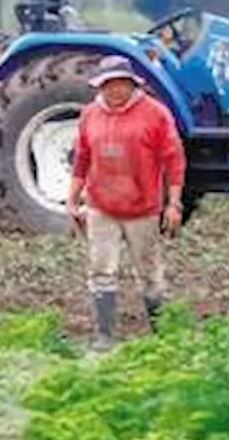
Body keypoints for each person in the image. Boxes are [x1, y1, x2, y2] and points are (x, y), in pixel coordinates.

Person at [67, 55, 187, 351]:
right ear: (100, 86)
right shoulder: (90, 115)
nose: (115, 91)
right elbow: (82, 159)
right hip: (101, 207)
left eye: (121, 84)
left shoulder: (155, 114)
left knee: (149, 274)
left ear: (133, 84)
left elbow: (174, 160)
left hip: (142, 209)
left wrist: (174, 203)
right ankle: (105, 337)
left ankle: (163, 335)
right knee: (101, 271)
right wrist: (72, 199)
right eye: (108, 85)